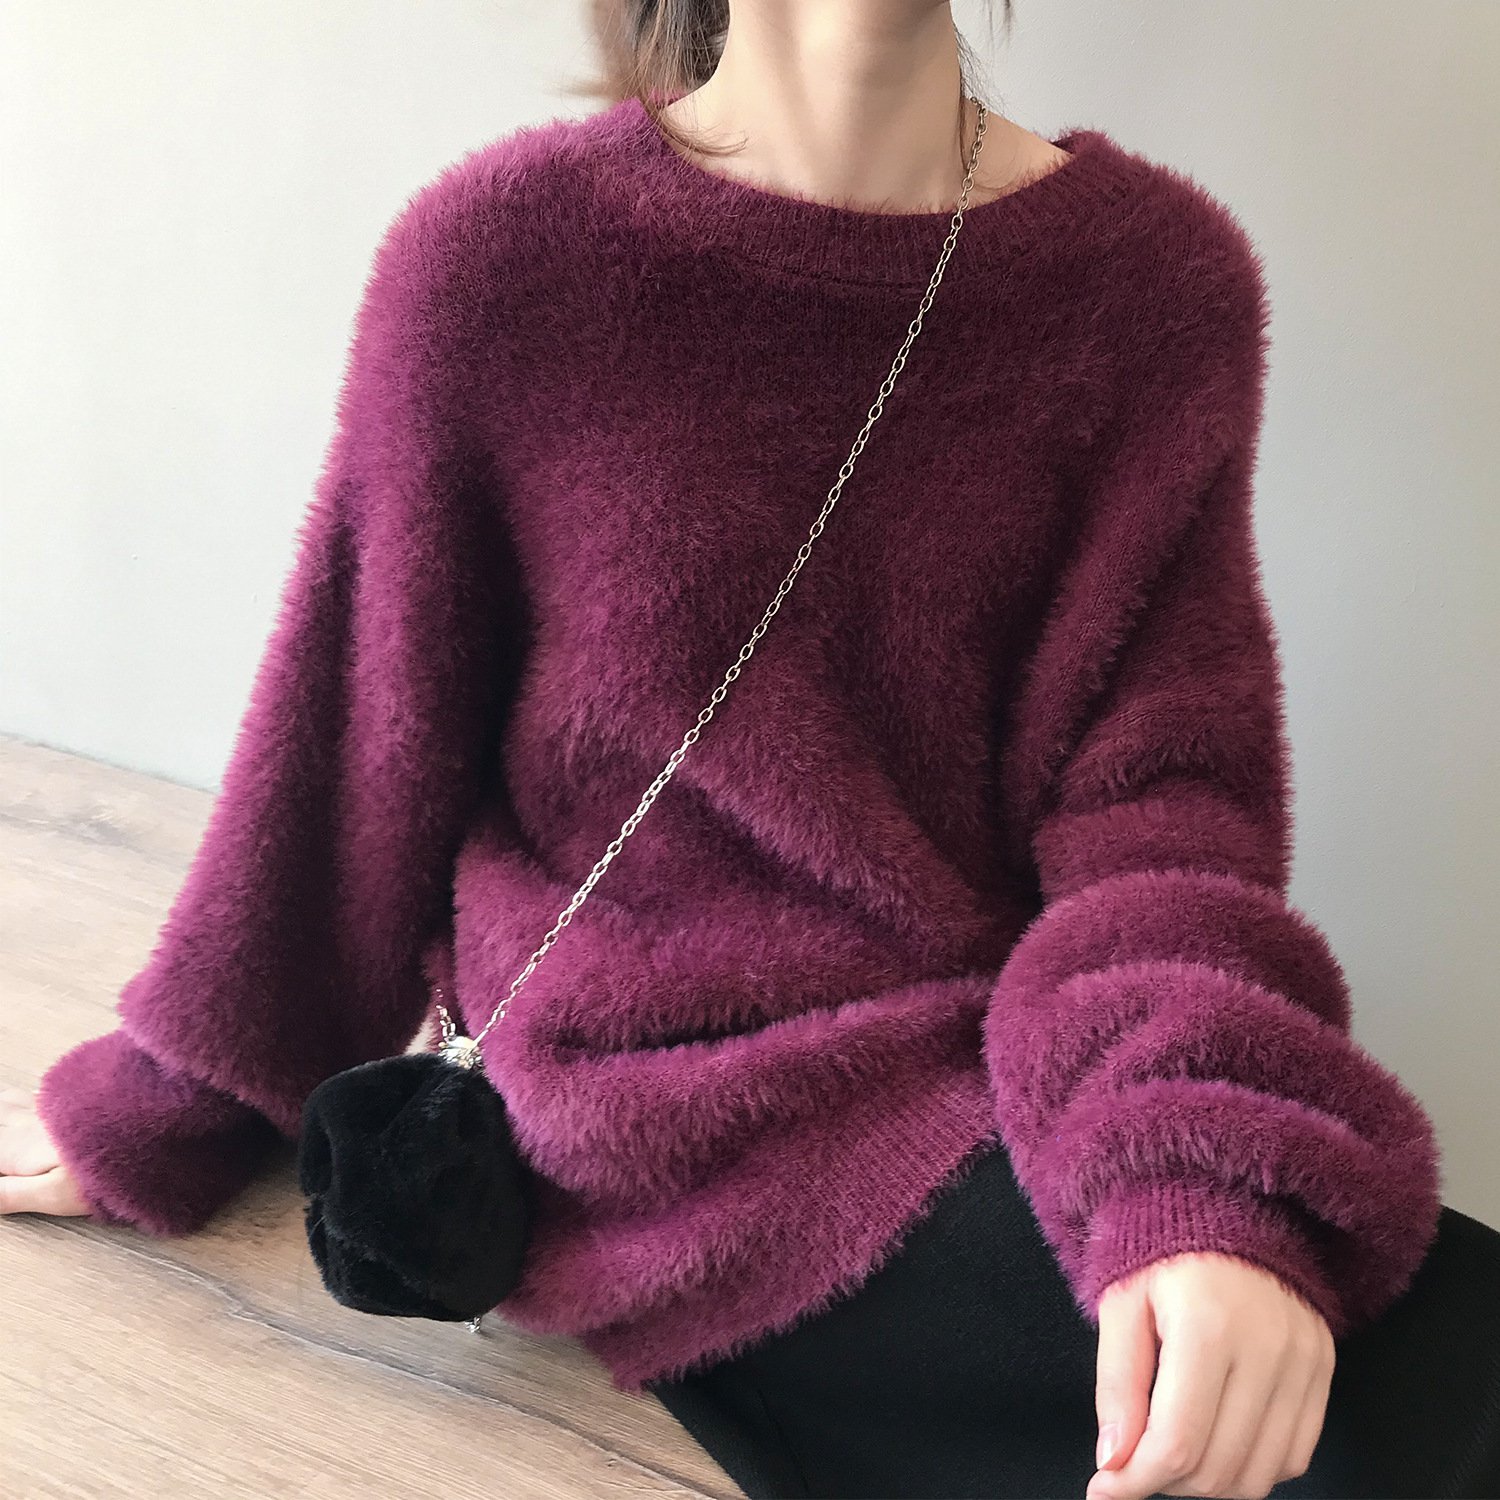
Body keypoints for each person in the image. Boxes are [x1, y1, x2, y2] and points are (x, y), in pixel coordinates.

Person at [4, 3, 1498, 1497]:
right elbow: (353, 744)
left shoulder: (1153, 286)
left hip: (1010, 1060)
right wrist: (176, 1102)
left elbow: (1159, 807)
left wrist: (1191, 1154)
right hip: (649, 1109)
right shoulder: (505, 261)